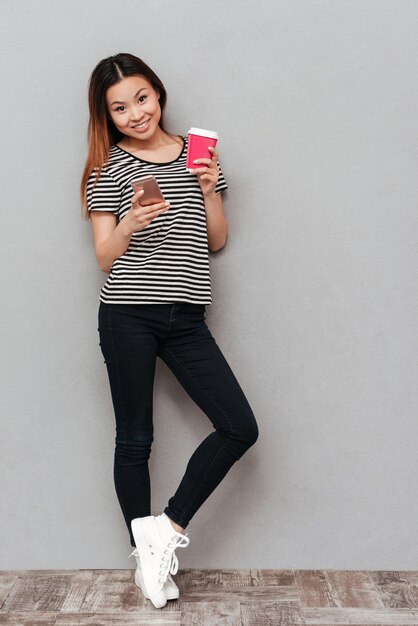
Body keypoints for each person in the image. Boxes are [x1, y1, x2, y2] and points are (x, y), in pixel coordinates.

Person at [80, 52, 259, 609]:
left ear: (158, 94)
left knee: (239, 427)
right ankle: (148, 562)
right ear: (106, 117)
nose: (136, 113)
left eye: (142, 98)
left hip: (187, 318)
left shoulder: (198, 155)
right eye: (120, 108)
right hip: (128, 312)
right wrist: (131, 222)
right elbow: (106, 256)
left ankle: (167, 527)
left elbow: (217, 241)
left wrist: (207, 188)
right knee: (135, 439)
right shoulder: (107, 170)